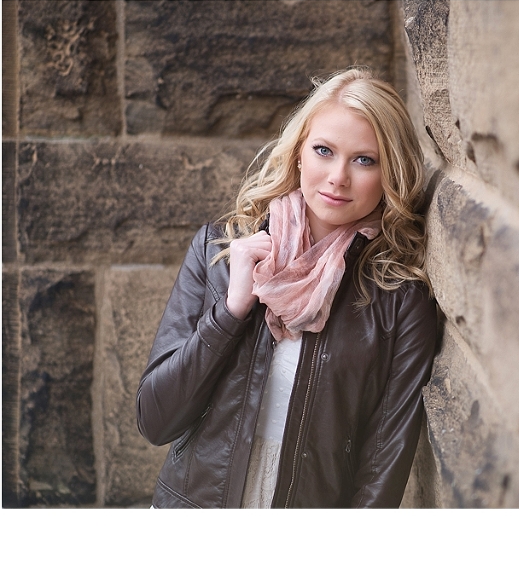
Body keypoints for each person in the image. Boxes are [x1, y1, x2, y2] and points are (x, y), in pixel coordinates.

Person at [136, 68, 438, 508]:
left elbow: (382, 465)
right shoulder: (220, 251)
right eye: (324, 151)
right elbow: (155, 419)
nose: (338, 176)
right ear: (299, 155)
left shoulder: (399, 300)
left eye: (364, 160)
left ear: (389, 173)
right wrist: (231, 311)